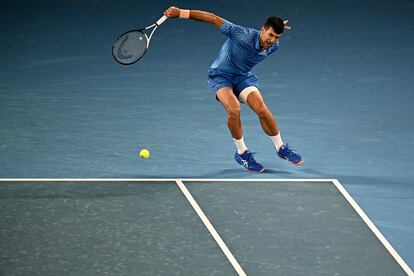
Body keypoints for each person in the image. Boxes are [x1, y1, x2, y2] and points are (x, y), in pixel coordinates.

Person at [164, 6, 303, 172]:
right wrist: (181, 13)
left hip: (243, 77)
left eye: (276, 37)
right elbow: (213, 18)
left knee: (262, 109)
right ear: (262, 29)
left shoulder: (274, 46)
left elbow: (270, 38)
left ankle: (280, 148)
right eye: (270, 35)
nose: (272, 40)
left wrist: (278, 25)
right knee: (234, 109)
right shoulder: (241, 34)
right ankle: (242, 153)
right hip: (221, 76)